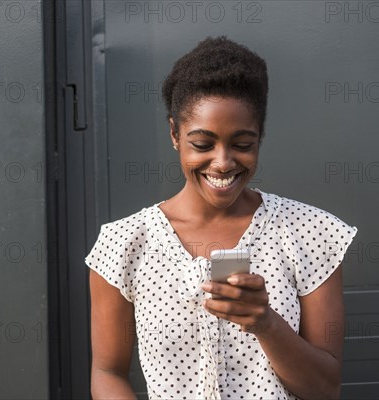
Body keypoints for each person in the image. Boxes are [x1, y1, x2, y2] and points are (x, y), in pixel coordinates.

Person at [85, 36, 358, 400]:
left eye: (243, 144)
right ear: (174, 134)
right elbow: (107, 372)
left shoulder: (310, 233)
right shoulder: (124, 244)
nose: (223, 162)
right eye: (202, 144)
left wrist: (266, 323)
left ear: (260, 137)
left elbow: (325, 390)